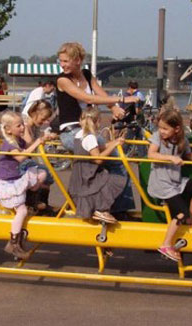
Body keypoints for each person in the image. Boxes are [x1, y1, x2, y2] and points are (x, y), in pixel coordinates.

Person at [55, 41, 138, 216]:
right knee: (117, 163)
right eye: (60, 61)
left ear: (78, 60)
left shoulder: (85, 73)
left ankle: (103, 204)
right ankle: (117, 208)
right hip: (72, 133)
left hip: (87, 131)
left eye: (65, 61)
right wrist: (122, 100)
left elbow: (100, 94)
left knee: (105, 165)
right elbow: (88, 98)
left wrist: (114, 108)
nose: (62, 65)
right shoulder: (62, 80)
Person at [147, 109, 192, 262]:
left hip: (176, 181)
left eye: (165, 128)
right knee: (181, 213)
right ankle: (166, 244)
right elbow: (151, 154)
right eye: (160, 127)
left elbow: (188, 154)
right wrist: (170, 158)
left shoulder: (182, 140)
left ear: (177, 129)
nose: (161, 131)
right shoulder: (157, 138)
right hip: (162, 184)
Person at [0, 111, 48, 259]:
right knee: (21, 212)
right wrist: (37, 142)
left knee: (41, 174)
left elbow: (29, 146)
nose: (22, 127)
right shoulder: (8, 144)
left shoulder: (18, 140)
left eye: (22, 124)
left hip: (16, 179)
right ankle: (13, 243)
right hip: (8, 184)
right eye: (19, 125)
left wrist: (43, 139)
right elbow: (22, 157)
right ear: (8, 129)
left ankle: (31, 200)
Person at [68, 106, 127, 223]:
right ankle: (101, 209)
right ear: (98, 122)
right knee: (113, 178)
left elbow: (97, 148)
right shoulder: (90, 137)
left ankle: (101, 209)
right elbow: (98, 159)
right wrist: (114, 146)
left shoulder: (79, 134)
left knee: (105, 176)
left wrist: (114, 142)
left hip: (80, 174)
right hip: (87, 176)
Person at [22, 100, 56, 214]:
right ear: (34, 113)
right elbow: (29, 146)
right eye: (43, 118)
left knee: (48, 174)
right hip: (20, 161)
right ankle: (32, 202)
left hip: (27, 160)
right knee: (43, 172)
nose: (45, 121)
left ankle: (42, 203)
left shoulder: (35, 127)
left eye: (47, 119)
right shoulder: (25, 126)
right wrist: (41, 139)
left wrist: (46, 137)